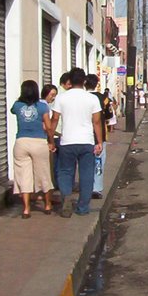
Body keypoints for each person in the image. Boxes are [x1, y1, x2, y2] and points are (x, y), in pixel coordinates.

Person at [49, 67, 104, 217]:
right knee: (86, 175)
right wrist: (99, 142)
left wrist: (50, 139)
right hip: (87, 141)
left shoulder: (61, 98)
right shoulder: (92, 98)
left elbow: (54, 119)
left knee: (65, 172)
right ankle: (83, 208)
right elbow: (97, 122)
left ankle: (66, 195)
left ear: (69, 81)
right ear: (84, 81)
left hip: (67, 141)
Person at [10, 79, 54, 218]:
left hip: (21, 142)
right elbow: (48, 127)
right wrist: (51, 142)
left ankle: (26, 209)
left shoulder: (17, 105)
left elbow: (13, 111)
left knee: (24, 176)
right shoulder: (42, 107)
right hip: (39, 142)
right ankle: (47, 205)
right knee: (44, 174)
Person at [89, 76, 114, 199]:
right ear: (96, 84)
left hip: (84, 136)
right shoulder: (103, 98)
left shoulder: (81, 98)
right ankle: (96, 188)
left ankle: (86, 186)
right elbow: (109, 114)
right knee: (98, 162)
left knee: (85, 163)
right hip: (100, 136)